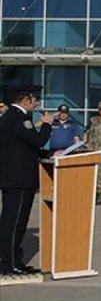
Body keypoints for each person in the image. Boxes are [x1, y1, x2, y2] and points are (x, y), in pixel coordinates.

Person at [0, 85, 52, 276]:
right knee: (15, 222)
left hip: (14, 177)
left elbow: (24, 146)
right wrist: (47, 124)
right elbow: (36, 141)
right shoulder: (17, 117)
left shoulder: (12, 117)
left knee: (9, 221)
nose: (37, 103)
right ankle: (10, 264)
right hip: (19, 178)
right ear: (26, 99)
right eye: (35, 99)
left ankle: (12, 260)